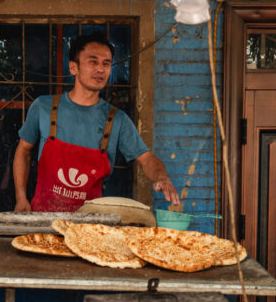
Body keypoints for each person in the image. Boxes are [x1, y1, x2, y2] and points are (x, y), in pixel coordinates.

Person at [13, 33, 180, 213]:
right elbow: (23, 150)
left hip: (91, 226)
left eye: (106, 63)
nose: (100, 69)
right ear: (73, 67)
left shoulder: (117, 119)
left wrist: (162, 177)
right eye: (93, 62)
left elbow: (146, 159)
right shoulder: (44, 107)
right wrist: (21, 198)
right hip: (43, 218)